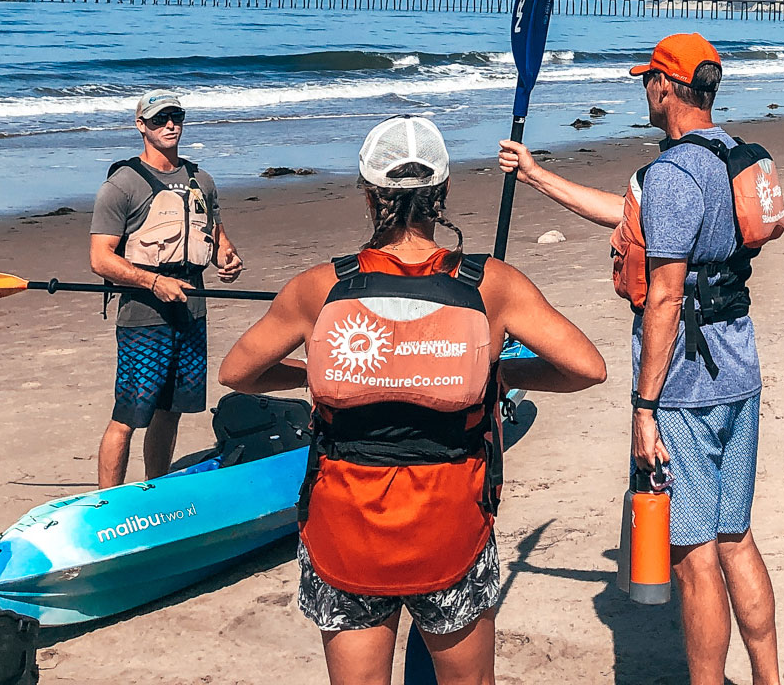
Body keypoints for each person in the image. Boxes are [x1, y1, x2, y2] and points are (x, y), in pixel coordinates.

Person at [219, 115, 606, 685]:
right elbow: (585, 368)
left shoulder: (320, 287)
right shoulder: (489, 285)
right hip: (451, 527)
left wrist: (326, 373)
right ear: (443, 193)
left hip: (344, 530)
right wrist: (493, 376)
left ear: (369, 193)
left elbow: (240, 373)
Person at [499, 33, 782, 685]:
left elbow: (664, 294)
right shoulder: (725, 153)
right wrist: (539, 175)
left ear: (665, 87)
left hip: (684, 382)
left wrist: (645, 407)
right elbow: (634, 219)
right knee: (736, 537)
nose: (643, 90)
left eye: (647, 79)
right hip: (738, 366)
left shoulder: (675, 175)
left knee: (693, 556)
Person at [89, 88, 244, 488]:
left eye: (176, 116)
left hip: (193, 310)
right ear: (141, 125)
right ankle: (109, 502)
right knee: (129, 415)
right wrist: (153, 282)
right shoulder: (122, 185)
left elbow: (217, 239)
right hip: (144, 314)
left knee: (170, 410)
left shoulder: (202, 180)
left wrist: (227, 259)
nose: (170, 124)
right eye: (159, 119)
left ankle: (155, 487)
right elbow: (100, 258)